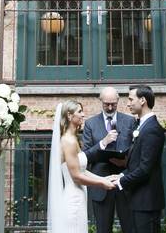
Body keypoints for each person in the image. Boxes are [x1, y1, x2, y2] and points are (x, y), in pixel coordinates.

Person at [47, 100, 116, 233]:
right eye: (79, 111)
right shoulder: (68, 141)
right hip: (73, 200)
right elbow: (77, 177)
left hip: (79, 196)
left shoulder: (74, 138)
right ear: (69, 115)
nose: (83, 115)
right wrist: (101, 184)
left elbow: (82, 170)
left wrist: (105, 178)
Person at [111, 85, 165, 233]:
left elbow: (144, 169)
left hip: (147, 203)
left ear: (142, 100)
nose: (128, 103)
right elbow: (136, 162)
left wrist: (121, 182)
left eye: (130, 99)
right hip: (138, 200)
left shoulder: (152, 129)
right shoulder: (142, 126)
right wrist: (121, 174)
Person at [81, 87, 135, 233]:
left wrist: (126, 162)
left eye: (113, 104)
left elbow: (137, 151)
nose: (110, 107)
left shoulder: (130, 121)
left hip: (125, 182)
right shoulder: (90, 124)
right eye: (106, 104)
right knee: (103, 229)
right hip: (100, 183)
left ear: (118, 101)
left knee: (130, 228)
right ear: (100, 101)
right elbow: (84, 156)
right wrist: (103, 143)